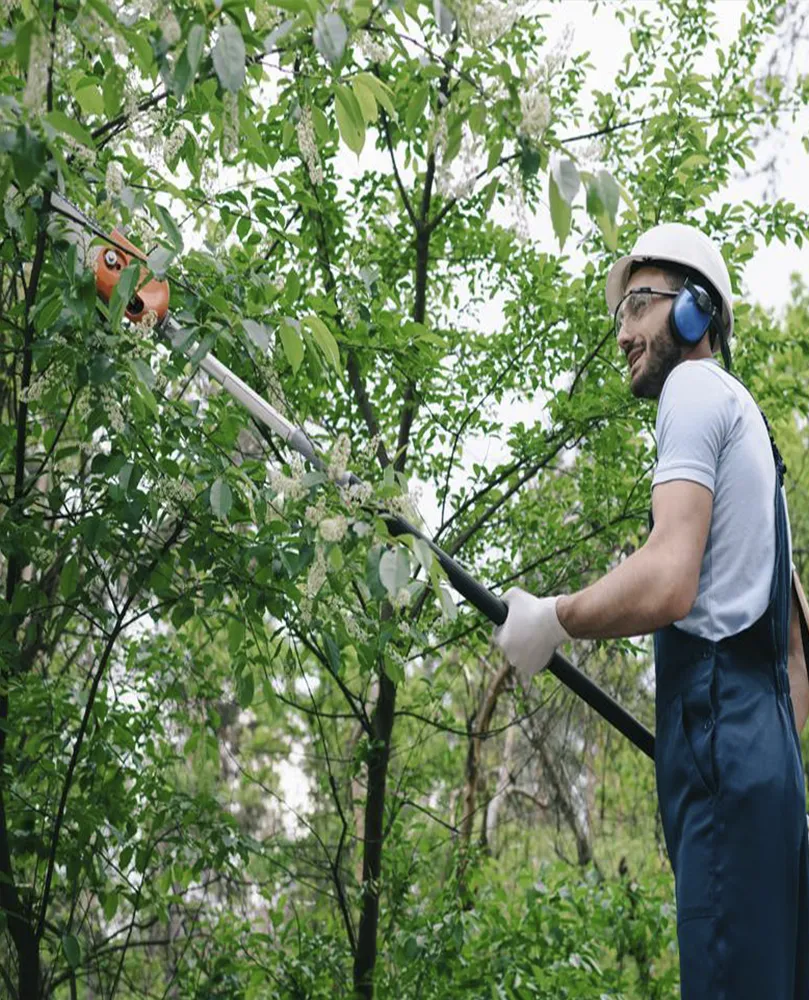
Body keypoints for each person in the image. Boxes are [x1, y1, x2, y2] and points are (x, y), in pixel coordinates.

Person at [493, 222, 809, 999]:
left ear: (696, 312)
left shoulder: (694, 390)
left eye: (638, 304)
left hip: (729, 768)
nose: (625, 333)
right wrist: (763, 780)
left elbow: (668, 578)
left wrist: (554, 617)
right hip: (765, 777)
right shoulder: (753, 442)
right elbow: (800, 656)